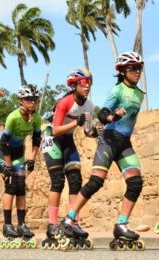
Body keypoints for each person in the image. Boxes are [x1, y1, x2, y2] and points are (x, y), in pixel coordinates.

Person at [59, 52, 146, 251]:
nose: (137, 72)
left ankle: (121, 225)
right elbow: (103, 113)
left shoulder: (140, 94)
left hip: (124, 143)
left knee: (136, 183)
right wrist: (113, 117)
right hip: (108, 140)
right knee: (96, 182)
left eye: (139, 68)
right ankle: (69, 220)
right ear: (123, 71)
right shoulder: (118, 90)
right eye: (133, 68)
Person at [42, 68, 95, 248]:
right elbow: (55, 130)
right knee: (57, 182)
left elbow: (87, 131)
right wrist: (76, 122)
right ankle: (51, 224)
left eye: (88, 82)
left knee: (75, 180)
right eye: (82, 83)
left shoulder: (90, 106)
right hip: (52, 139)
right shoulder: (65, 102)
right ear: (73, 86)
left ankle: (73, 222)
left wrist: (96, 132)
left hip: (68, 140)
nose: (86, 86)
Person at [0, 84, 42, 248]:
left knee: (21, 186)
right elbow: (4, 142)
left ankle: (21, 224)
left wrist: (32, 158)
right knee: (11, 185)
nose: (33, 102)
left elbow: (37, 139)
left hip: (18, 152)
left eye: (35, 99)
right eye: (29, 99)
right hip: (2, 150)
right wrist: (7, 166)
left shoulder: (36, 118)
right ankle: (7, 225)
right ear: (21, 101)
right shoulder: (13, 117)